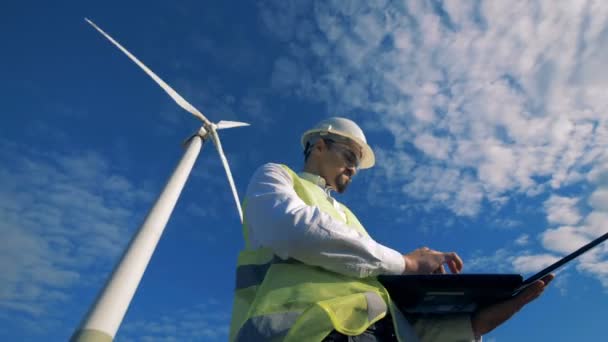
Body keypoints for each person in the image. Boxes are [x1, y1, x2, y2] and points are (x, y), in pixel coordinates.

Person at [229, 117, 553, 341]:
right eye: (349, 155)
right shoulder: (277, 176)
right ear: (318, 147)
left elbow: (386, 318)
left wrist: (474, 323)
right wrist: (408, 264)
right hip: (307, 335)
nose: (354, 169)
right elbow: (292, 229)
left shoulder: (348, 220)